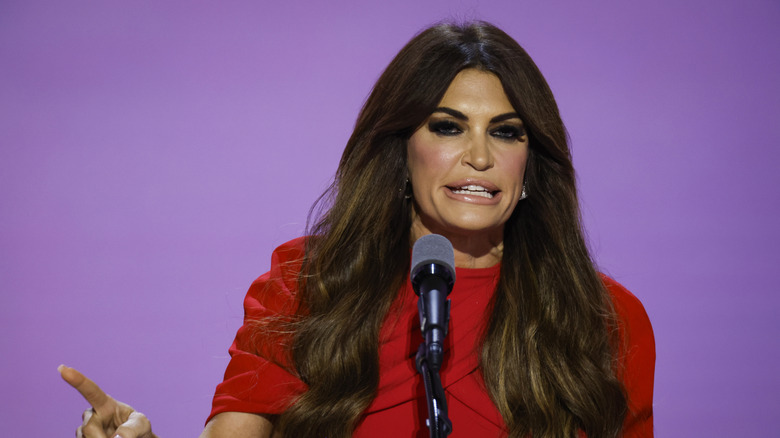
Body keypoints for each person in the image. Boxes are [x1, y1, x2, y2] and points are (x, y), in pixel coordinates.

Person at [60, 21, 655, 438]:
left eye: (506, 131)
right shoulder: (310, 283)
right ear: (402, 150)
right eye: (448, 127)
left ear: (531, 163)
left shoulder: (604, 318)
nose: (479, 156)